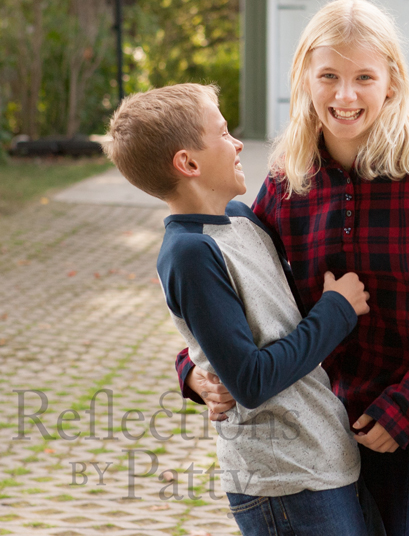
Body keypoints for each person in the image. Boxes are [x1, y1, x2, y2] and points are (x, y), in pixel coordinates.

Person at [177, 0, 409, 536]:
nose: (345, 95)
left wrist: (408, 406)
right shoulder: (286, 181)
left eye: (364, 78)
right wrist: (192, 372)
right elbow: (236, 291)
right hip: (351, 405)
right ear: (305, 77)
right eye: (328, 75)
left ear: (391, 84)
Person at [103, 82, 381, 536]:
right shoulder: (189, 253)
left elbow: (259, 332)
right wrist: (337, 311)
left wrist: (193, 374)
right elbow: (250, 381)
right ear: (188, 163)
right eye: (224, 132)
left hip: (324, 460)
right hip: (282, 480)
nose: (237, 144)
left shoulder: (243, 219)